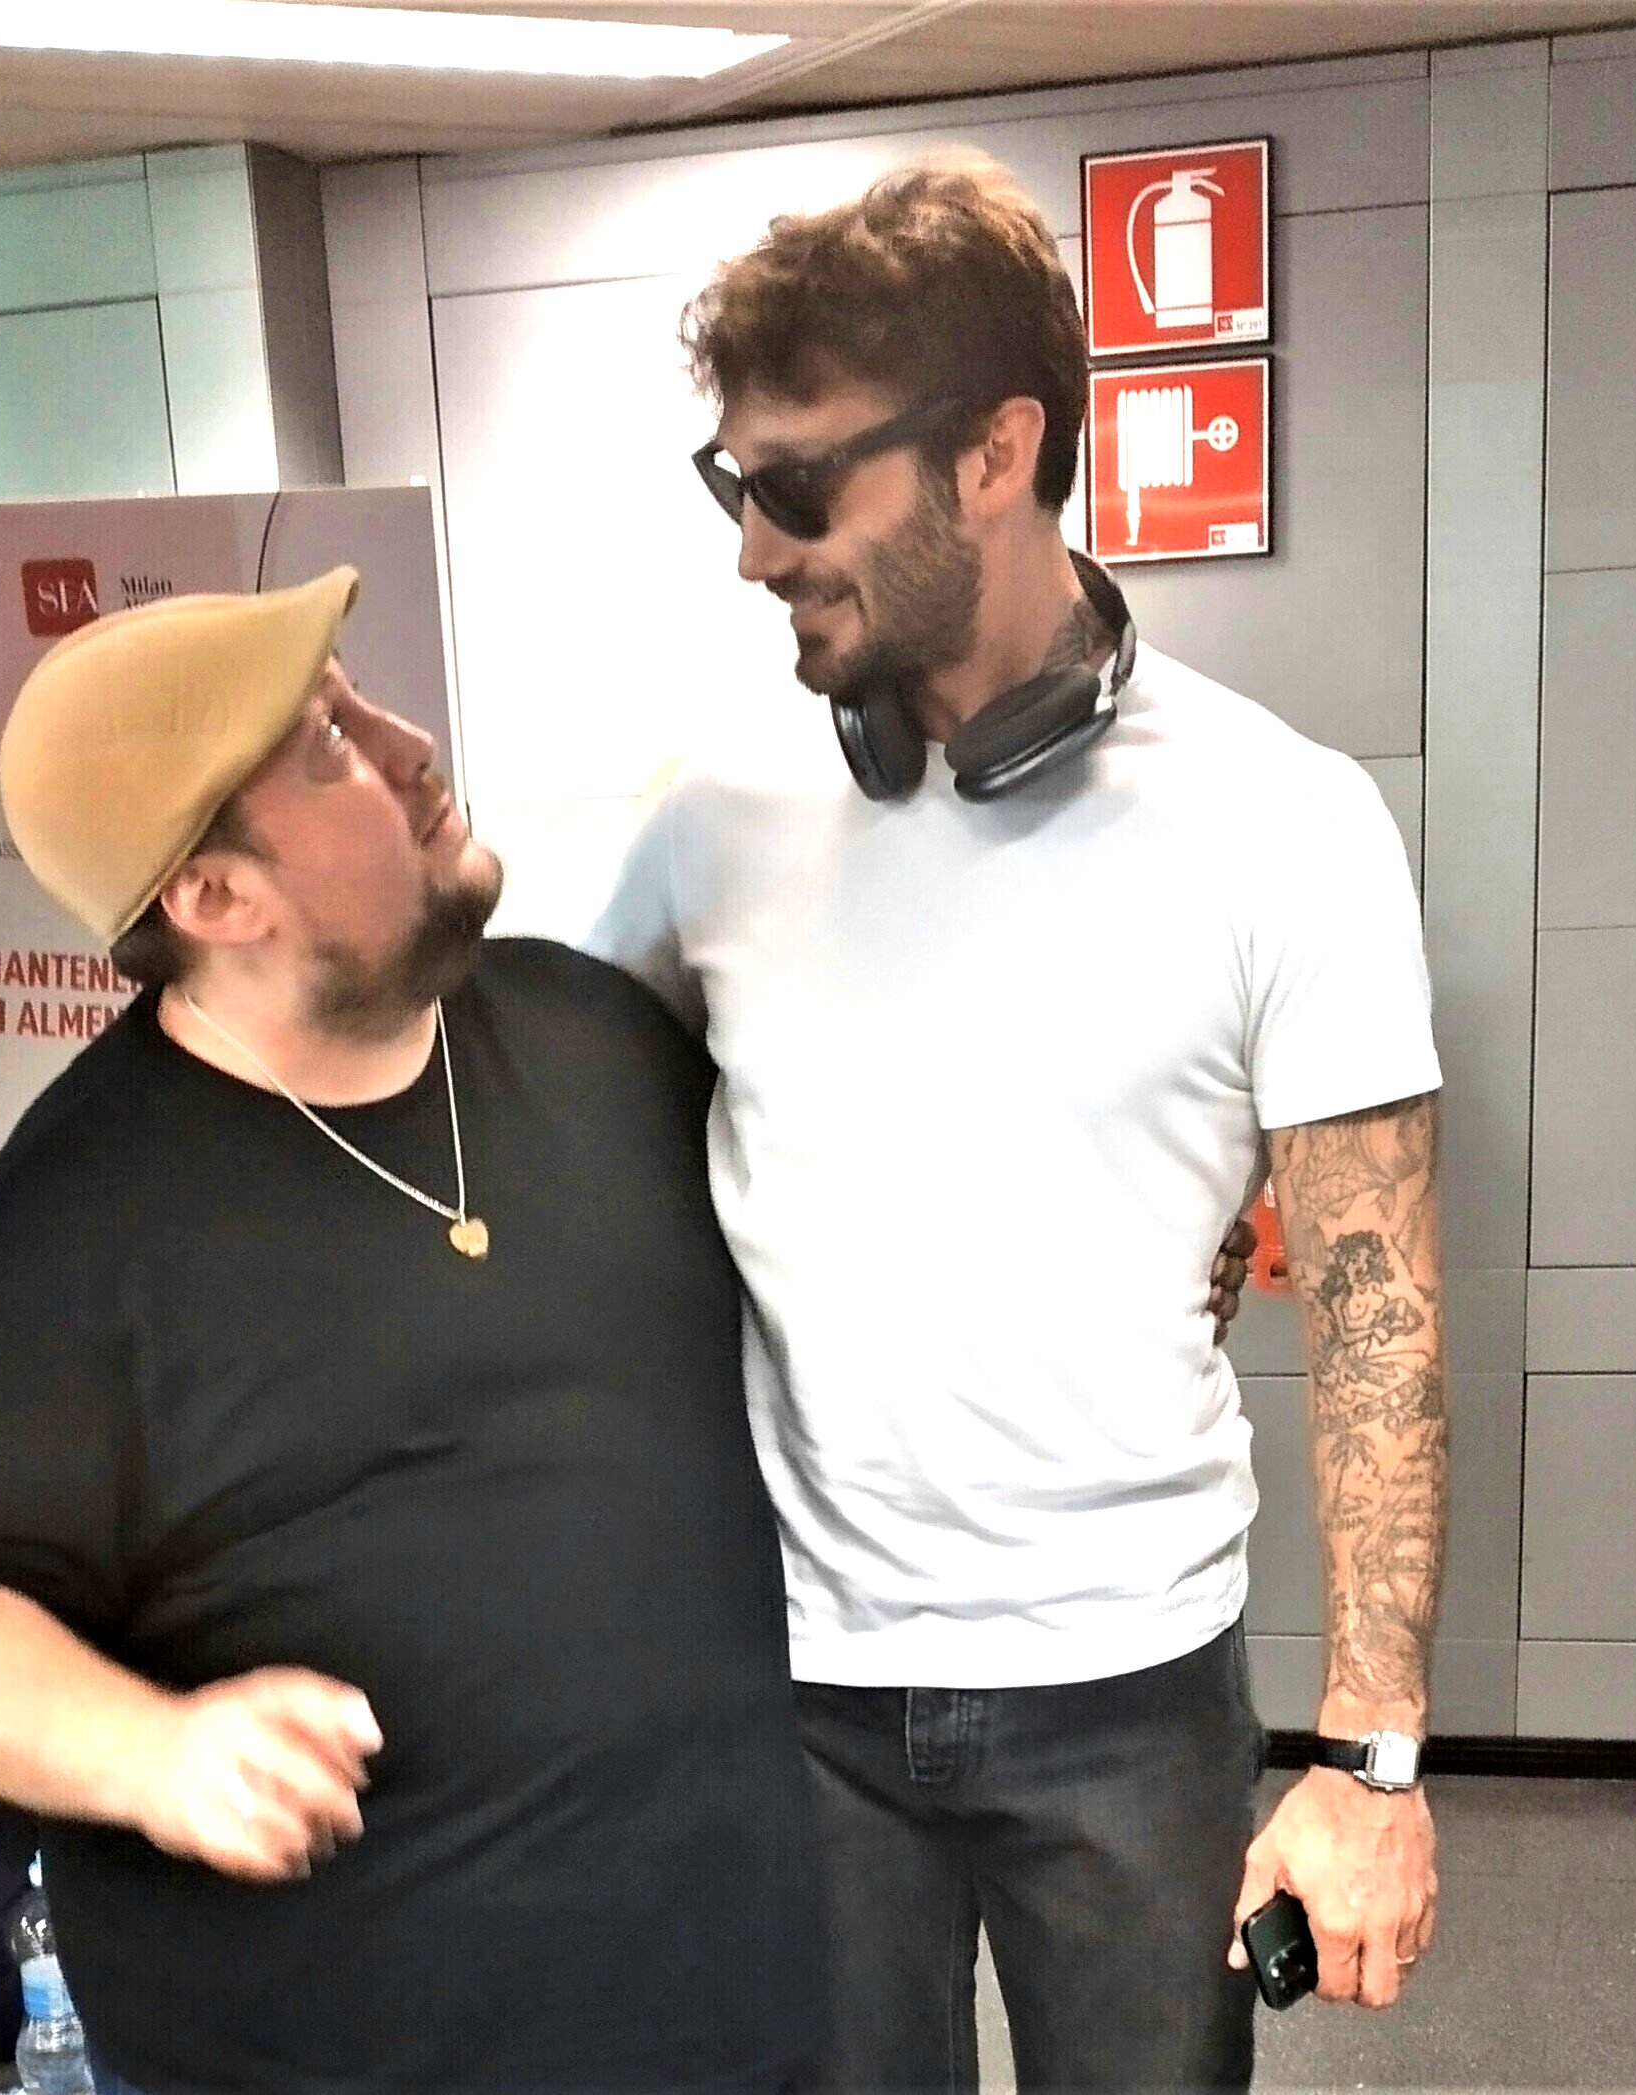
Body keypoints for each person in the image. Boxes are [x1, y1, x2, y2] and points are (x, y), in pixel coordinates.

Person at [588, 156, 1446, 2092]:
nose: (754, 551)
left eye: (802, 487)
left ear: (996, 450)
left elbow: (1381, 1323)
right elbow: (554, 1166)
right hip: (795, 1688)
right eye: (733, 485)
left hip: (1131, 1691)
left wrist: (1373, 1756)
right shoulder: (705, 820)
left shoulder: (1284, 823)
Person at [0, 568, 826, 2095]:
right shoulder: (74, 1223)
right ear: (214, 899)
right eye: (327, 743)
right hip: (333, 2054)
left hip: (738, 2021)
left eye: (359, 699)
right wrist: (152, 1752)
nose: (409, 743)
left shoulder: (596, 1034)